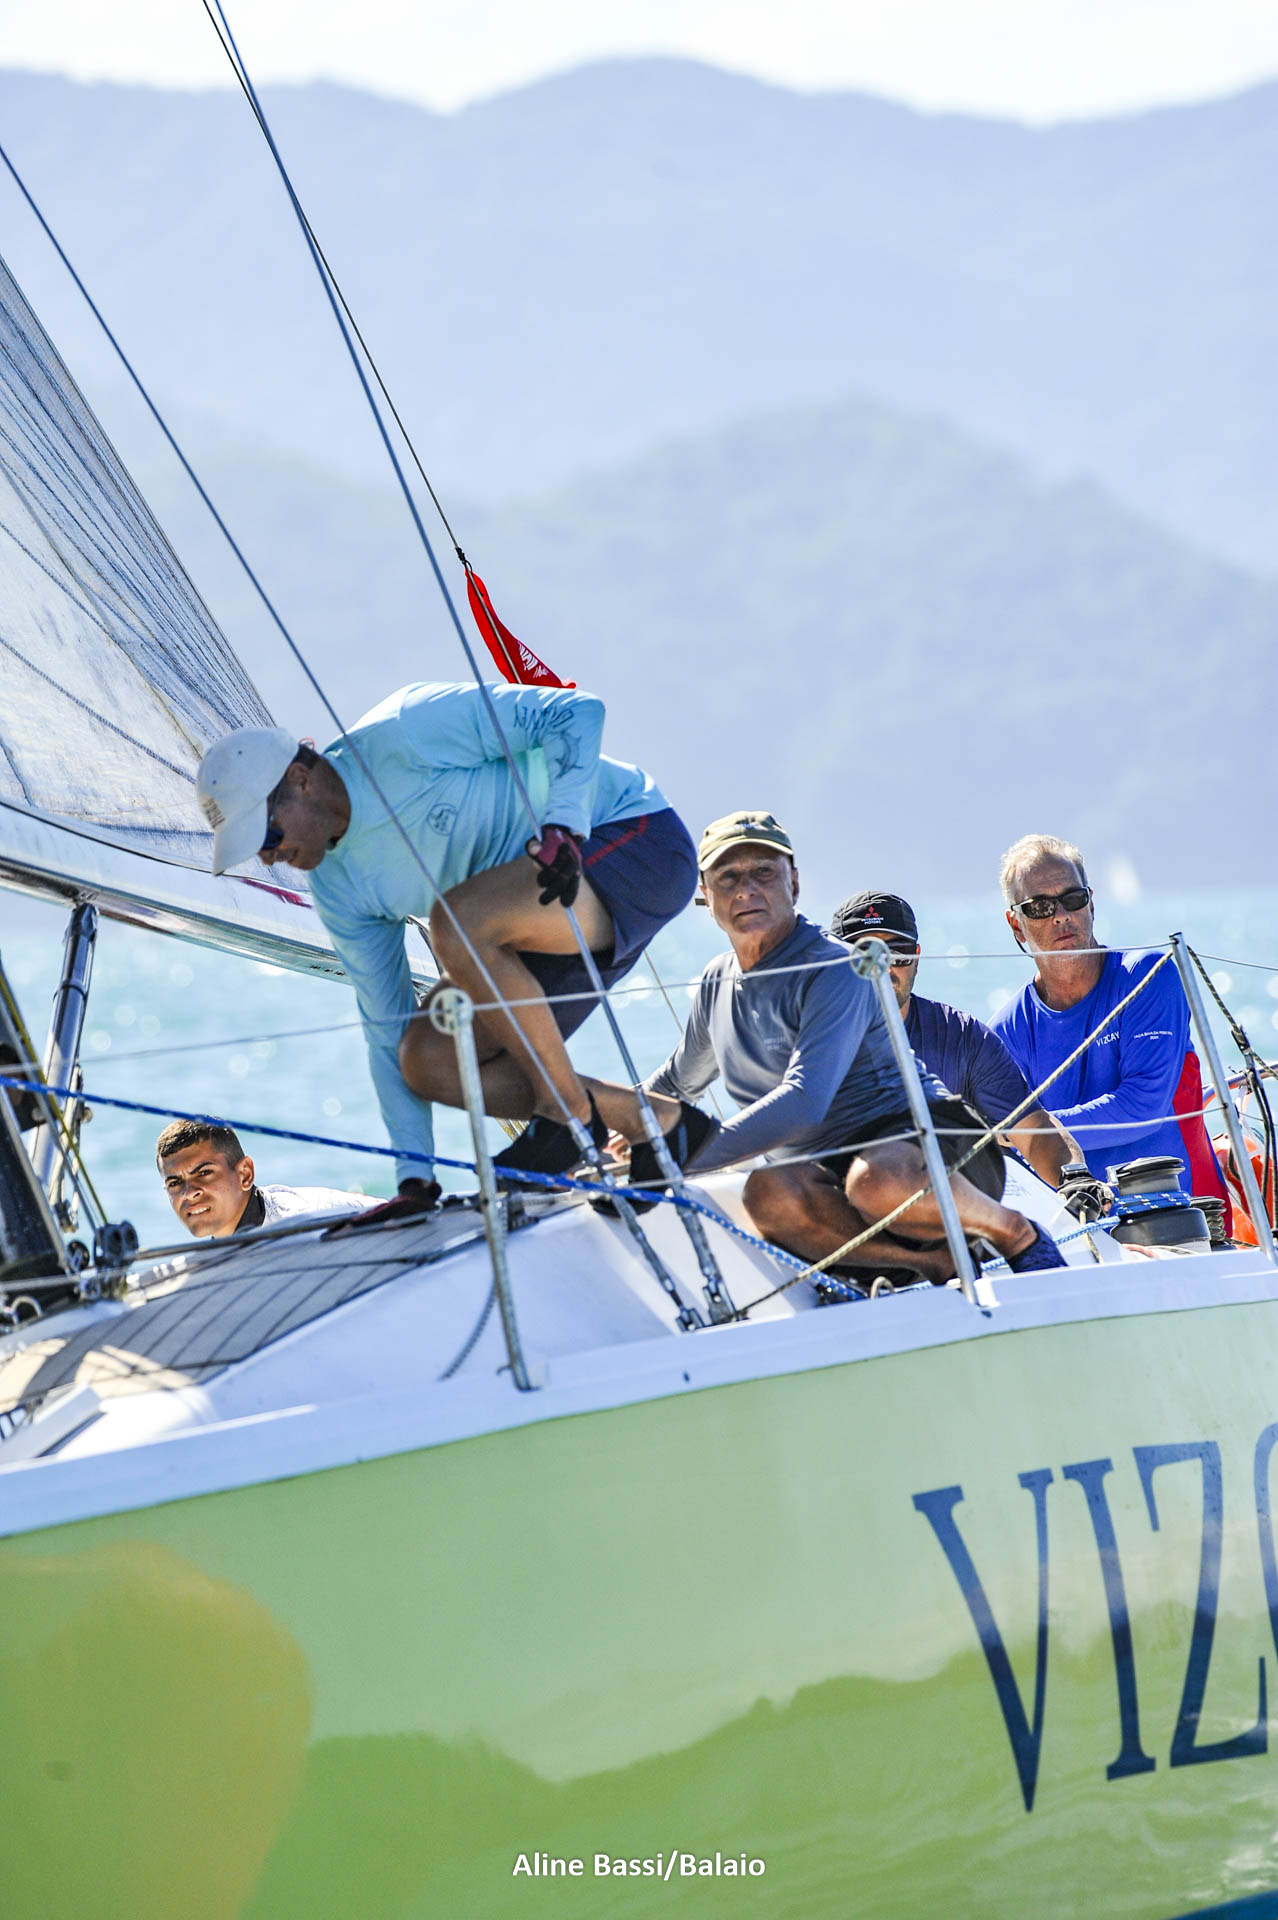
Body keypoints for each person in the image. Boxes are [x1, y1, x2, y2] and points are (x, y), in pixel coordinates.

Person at [196, 682, 697, 1203]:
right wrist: (414, 1179)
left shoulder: (405, 730)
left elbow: (576, 712)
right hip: (535, 924)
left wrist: (563, 827)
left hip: (635, 841)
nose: (268, 858)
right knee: (425, 1060)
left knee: (454, 924)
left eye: (266, 837)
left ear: (300, 780)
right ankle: (657, 1122)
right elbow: (385, 1026)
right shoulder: (337, 888)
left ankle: (566, 1116)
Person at [637, 812, 1066, 1280]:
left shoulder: (837, 969)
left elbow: (805, 1100)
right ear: (704, 892)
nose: (746, 890)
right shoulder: (717, 982)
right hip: (839, 1181)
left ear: (793, 883)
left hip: (935, 1155)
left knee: (876, 1180)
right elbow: (675, 1083)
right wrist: (610, 1138)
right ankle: (927, 1267)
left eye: (763, 872)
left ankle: (1015, 1233)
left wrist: (683, 1155)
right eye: (729, 877)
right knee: (764, 1192)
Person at [989, 834, 1229, 1209]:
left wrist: (1031, 1131)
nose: (1061, 915)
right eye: (1039, 907)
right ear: (1016, 925)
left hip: (1187, 1214)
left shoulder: (1147, 976)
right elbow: (1005, 1151)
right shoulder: (1005, 1032)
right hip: (1082, 1225)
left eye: (1072, 899)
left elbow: (1142, 1107)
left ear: (1091, 903)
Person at [829, 891, 1080, 1188]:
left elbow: (1034, 1129)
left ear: (916, 957)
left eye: (898, 952)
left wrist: (1076, 1178)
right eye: (865, 954)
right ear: (835, 961)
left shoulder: (964, 1037)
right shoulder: (802, 1039)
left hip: (938, 1200)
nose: (883, 966)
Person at [156, 1121, 366, 1238]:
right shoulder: (213, 1263)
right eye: (174, 1183)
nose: (189, 1192)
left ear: (245, 1174)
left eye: (204, 1173)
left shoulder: (308, 1229)